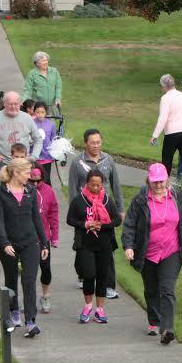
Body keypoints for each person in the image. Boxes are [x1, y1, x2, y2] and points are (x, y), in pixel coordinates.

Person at [122, 163, 182, 345]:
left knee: (167, 289)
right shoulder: (140, 200)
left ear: (167, 179)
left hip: (172, 251)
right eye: (154, 181)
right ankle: (154, 321)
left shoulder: (176, 197)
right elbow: (130, 224)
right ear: (148, 180)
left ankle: (167, 329)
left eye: (161, 181)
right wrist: (129, 246)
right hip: (148, 252)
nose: (158, 185)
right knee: (151, 288)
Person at [0, 158, 48, 337]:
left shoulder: (31, 191)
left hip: (30, 243)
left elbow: (37, 219)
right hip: (9, 243)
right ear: (16, 173)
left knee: (29, 280)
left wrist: (44, 242)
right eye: (26, 173)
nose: (30, 177)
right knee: (11, 280)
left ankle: (31, 322)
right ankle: (14, 310)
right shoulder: (0, 192)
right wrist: (5, 242)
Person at [68, 128, 123, 299]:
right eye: (92, 142)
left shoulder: (108, 160)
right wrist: (76, 212)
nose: (96, 146)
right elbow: (72, 188)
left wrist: (120, 209)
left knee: (108, 248)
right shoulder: (77, 162)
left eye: (98, 142)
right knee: (83, 246)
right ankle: (84, 274)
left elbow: (116, 185)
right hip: (84, 211)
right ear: (86, 143)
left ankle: (108, 285)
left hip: (105, 212)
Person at [67, 169, 121, 324]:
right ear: (87, 184)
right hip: (85, 244)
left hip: (104, 245)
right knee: (89, 275)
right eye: (92, 185)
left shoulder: (107, 201)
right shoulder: (79, 200)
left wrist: (102, 226)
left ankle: (100, 309)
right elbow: (70, 219)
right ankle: (88, 305)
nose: (96, 188)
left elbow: (117, 220)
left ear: (102, 184)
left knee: (102, 277)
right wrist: (85, 224)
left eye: (98, 185)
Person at [0, 92, 44, 175]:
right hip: (3, 166)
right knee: (4, 188)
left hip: (23, 165)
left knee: (23, 188)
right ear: (4, 104)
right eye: (10, 104)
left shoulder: (27, 118)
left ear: (20, 104)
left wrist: (33, 157)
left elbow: (38, 139)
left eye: (16, 104)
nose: (13, 107)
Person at [150, 74, 182, 176]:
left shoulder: (165, 98)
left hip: (172, 134)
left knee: (167, 161)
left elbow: (163, 117)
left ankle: (163, 186)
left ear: (164, 86)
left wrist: (155, 135)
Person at [30, 166, 58, 314]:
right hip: (26, 238)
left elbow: (53, 214)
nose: (35, 184)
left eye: (38, 181)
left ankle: (45, 296)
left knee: (45, 268)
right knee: (27, 271)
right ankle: (27, 299)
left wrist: (55, 237)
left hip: (43, 238)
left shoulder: (48, 191)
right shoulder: (22, 190)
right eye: (31, 181)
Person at [32, 101, 57, 183]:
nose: (40, 114)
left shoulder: (51, 124)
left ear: (46, 112)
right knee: (34, 178)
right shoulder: (31, 123)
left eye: (42, 112)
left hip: (46, 157)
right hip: (34, 156)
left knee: (46, 179)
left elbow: (54, 139)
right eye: (38, 112)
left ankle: (47, 194)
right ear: (34, 112)